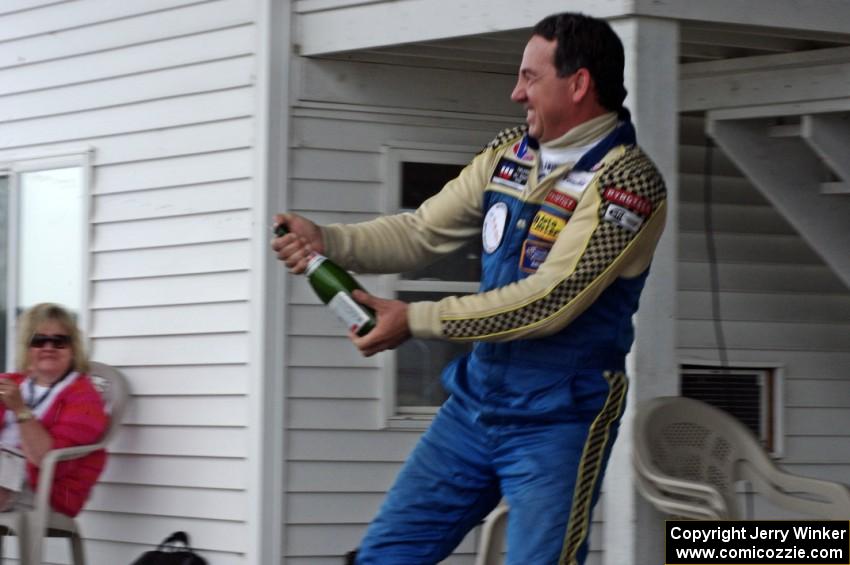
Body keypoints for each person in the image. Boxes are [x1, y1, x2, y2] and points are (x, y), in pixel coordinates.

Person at [272, 12, 667, 565]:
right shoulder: (510, 152)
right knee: (383, 557)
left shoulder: (628, 181)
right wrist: (329, 240)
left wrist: (413, 320)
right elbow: (420, 231)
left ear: (578, 85)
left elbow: (549, 301)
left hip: (560, 418)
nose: (515, 93)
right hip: (475, 403)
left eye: (530, 77)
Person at [0, 303, 108, 516]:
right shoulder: (10, 382)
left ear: (73, 349)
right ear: (27, 347)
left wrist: (21, 409)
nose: (48, 347)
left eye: (59, 342)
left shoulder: (84, 397)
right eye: (39, 340)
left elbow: (46, 459)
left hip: (42, 486)